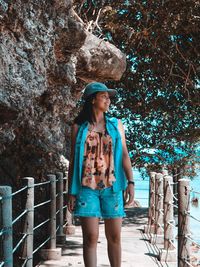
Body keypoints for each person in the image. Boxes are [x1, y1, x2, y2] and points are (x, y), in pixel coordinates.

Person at [67, 81, 135, 267]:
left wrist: (131, 182)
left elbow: (125, 156)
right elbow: (73, 160)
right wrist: (71, 192)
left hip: (112, 188)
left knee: (114, 237)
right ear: (92, 100)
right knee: (90, 237)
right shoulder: (78, 127)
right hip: (86, 188)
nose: (108, 100)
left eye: (108, 97)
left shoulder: (116, 125)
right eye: (103, 96)